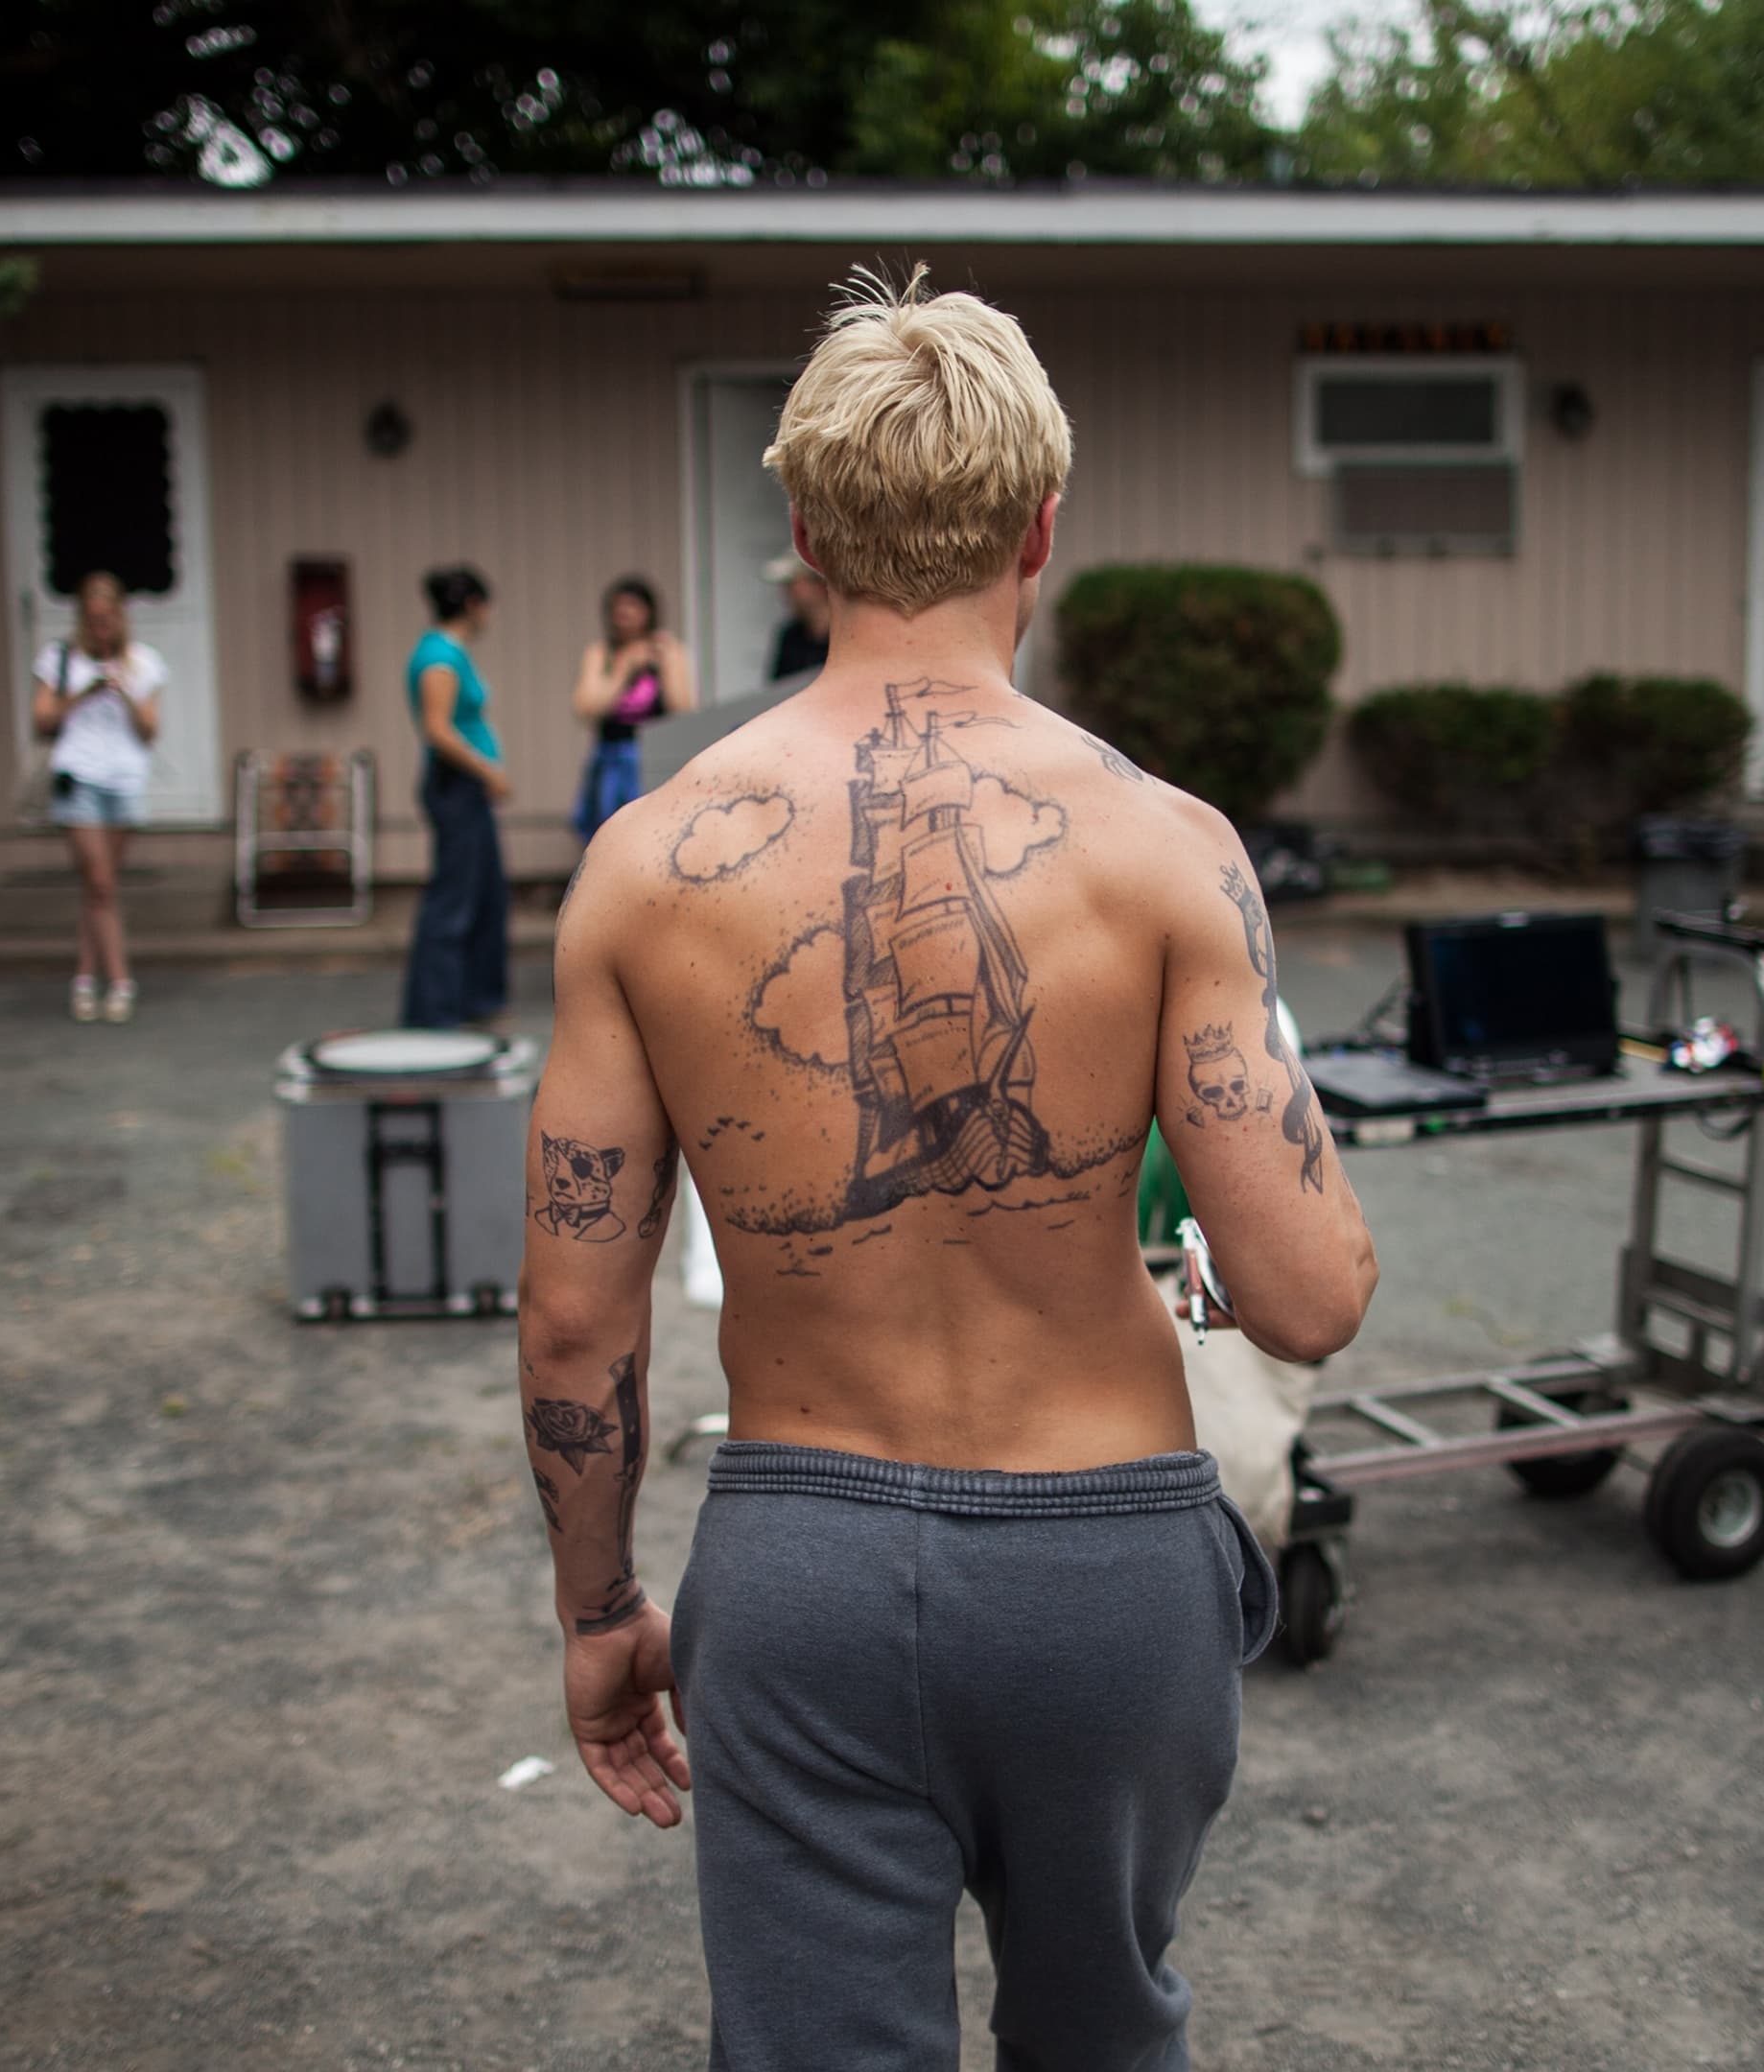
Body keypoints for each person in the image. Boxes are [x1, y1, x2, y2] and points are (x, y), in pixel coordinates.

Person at [517, 268, 1378, 2069]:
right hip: (1106, 1579)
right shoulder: (1168, 848)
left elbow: (575, 1322)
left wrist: (600, 1610)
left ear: (806, 536)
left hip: (801, 1571)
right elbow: (1307, 1299)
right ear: (1041, 528)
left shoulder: (644, 864)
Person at [32, 572, 165, 1024]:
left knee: (99, 889)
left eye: (108, 618)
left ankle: (85, 979)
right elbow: (42, 720)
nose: (101, 627)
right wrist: (82, 694)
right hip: (79, 776)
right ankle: (122, 983)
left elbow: (150, 731)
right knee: (102, 884)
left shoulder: (143, 663)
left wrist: (123, 690)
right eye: (93, 619)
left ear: (121, 617)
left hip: (124, 779)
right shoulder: (60, 659)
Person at [401, 565, 510, 1029]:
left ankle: (476, 1001)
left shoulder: (450, 652)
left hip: (466, 788)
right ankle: (434, 1014)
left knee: (486, 895)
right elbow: (438, 729)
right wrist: (489, 771)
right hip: (456, 786)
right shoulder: (439, 657)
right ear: (473, 605)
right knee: (454, 901)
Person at [568, 576, 696, 845]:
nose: (625, 613)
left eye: (633, 606)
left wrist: (666, 663)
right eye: (619, 607)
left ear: (649, 611)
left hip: (654, 757)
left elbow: (684, 710)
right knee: (610, 836)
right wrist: (624, 669)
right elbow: (587, 708)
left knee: (655, 835)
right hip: (611, 760)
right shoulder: (601, 653)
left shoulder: (668, 651)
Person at [762, 552, 831, 686]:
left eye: (791, 584)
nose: (786, 593)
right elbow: (777, 689)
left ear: (818, 584)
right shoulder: (790, 637)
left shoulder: (849, 635)